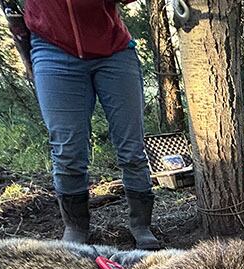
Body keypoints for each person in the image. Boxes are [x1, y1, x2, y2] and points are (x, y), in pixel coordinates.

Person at [23, 0, 162, 249]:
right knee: (67, 150)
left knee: (132, 148)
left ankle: (141, 224)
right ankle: (76, 227)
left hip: (114, 50)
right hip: (52, 49)